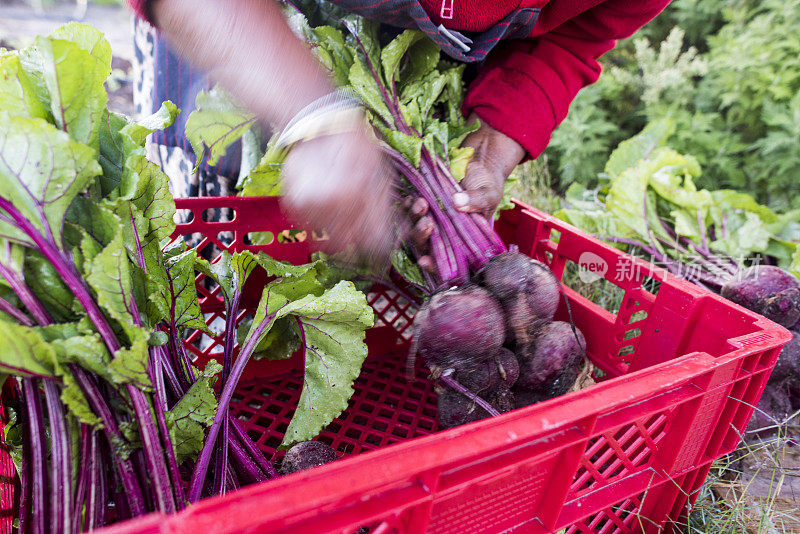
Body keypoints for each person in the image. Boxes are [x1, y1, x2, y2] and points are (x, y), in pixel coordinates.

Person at [129, 0, 671, 267]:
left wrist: (491, 142)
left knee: (389, 226)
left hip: (427, 51)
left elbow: (574, 37)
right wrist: (313, 116)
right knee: (216, 216)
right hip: (235, 26)